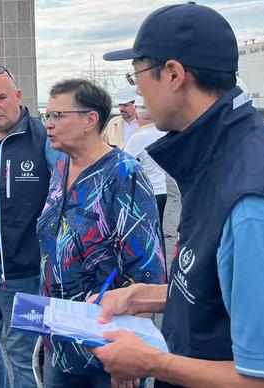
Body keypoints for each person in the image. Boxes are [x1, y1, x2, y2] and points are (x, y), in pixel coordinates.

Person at [92, 2, 264, 388]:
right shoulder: (223, 157)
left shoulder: (251, 199)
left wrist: (151, 362)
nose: (137, 93)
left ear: (173, 75)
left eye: (137, 77)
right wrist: (143, 297)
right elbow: (231, 288)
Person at [36, 78, 165, 388]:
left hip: (108, 350)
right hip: (61, 341)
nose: (48, 125)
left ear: (90, 120)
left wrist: (130, 356)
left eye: (57, 116)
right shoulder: (62, 166)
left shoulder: (124, 173)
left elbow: (146, 273)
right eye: (46, 116)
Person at [0, 65, 57, 388]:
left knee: (23, 352)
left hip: (24, 271)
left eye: (1, 97)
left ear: (18, 96)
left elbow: (64, 192)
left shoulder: (41, 137)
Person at [123, 95, 169, 252]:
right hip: (161, 190)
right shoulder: (162, 132)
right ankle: (163, 273)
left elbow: (122, 163)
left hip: (146, 193)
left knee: (146, 238)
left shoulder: (139, 137)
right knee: (158, 234)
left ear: (136, 113)